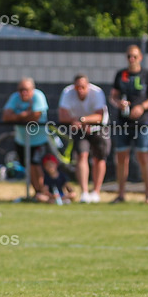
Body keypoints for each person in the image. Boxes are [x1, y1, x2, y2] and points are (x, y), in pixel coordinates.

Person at [111, 45, 148, 203]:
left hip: (142, 123)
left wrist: (142, 107)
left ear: (140, 57)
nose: (131, 59)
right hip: (123, 122)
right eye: (129, 56)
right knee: (121, 158)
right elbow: (113, 96)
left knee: (143, 157)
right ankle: (121, 194)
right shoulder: (121, 74)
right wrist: (119, 104)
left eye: (134, 56)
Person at [58, 74, 110, 202]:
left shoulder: (97, 92)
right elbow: (62, 116)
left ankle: (96, 192)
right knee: (82, 156)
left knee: (99, 158)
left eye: (83, 87)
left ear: (88, 86)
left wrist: (83, 120)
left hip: (98, 128)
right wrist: (78, 122)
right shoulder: (67, 92)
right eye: (77, 87)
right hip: (80, 128)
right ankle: (85, 192)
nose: (80, 90)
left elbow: (99, 116)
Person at [3, 77, 50, 195]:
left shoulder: (38, 96)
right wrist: (26, 114)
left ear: (32, 89)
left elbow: (35, 117)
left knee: (36, 164)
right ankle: (38, 193)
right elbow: (6, 117)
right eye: (21, 90)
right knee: (28, 166)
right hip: (21, 140)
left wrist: (17, 116)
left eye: (26, 90)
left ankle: (43, 192)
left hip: (39, 140)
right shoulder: (15, 97)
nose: (23, 92)